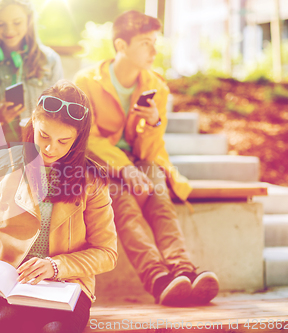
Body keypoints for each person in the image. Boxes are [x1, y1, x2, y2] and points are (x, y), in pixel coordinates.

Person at [0, 80, 117, 333]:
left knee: (54, 330)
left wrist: (55, 266)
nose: (50, 148)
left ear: (78, 140)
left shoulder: (92, 180)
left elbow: (107, 252)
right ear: (33, 120)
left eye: (63, 141)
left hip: (66, 286)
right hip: (6, 285)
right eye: (44, 135)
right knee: (6, 324)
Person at [74, 10, 219, 306]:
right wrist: (125, 169)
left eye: (155, 42)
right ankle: (157, 278)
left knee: (159, 196)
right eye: (145, 43)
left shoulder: (157, 87)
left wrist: (153, 122)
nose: (154, 50)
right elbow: (88, 139)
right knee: (123, 204)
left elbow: (150, 152)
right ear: (121, 46)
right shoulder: (87, 82)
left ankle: (183, 270)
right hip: (101, 165)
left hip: (141, 163)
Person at [0, 0, 64, 146]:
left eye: (17, 22)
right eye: (0, 24)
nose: (9, 31)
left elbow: (62, 116)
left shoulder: (50, 60)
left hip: (39, 153)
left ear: (29, 20)